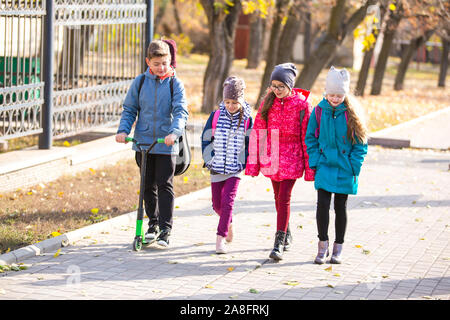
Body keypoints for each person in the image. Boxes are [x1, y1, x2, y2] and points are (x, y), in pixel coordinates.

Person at [115, 39, 189, 247]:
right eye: (156, 64)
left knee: (164, 184)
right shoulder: (139, 82)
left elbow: (181, 111)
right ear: (148, 61)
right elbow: (130, 109)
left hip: (166, 143)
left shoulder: (175, 84)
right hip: (144, 142)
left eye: (164, 63)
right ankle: (153, 225)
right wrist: (123, 131)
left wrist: (174, 133)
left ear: (170, 61)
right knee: (147, 185)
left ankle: (166, 228)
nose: (161, 68)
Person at [245, 63, 314, 261]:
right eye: (273, 85)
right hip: (272, 155)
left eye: (280, 86)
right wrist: (254, 163)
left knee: (284, 197)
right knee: (277, 198)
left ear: (290, 85)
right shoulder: (269, 101)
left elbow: (306, 137)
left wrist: (309, 168)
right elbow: (258, 132)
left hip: (292, 156)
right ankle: (287, 232)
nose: (276, 90)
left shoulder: (302, 105)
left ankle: (278, 242)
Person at [305, 66, 368, 264]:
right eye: (331, 94)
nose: (335, 99)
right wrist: (315, 161)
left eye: (339, 95)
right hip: (324, 166)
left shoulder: (352, 114)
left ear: (345, 94)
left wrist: (353, 166)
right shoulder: (318, 111)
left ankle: (338, 247)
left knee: (340, 206)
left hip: (344, 168)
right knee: (322, 205)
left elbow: (360, 143)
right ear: (326, 93)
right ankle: (322, 244)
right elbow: (310, 139)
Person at [201, 76, 253, 254]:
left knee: (228, 202)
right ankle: (228, 223)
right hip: (216, 166)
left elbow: (250, 143)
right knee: (217, 205)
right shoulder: (215, 116)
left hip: (234, 169)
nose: (231, 106)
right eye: (227, 101)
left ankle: (220, 238)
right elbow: (206, 138)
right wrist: (209, 158)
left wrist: (243, 161)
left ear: (241, 100)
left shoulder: (247, 119)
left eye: (235, 102)